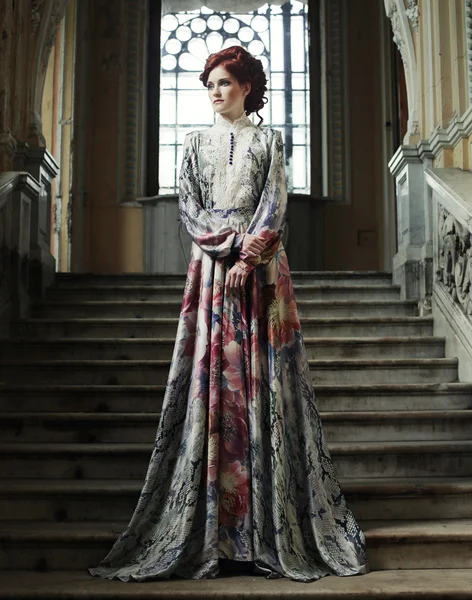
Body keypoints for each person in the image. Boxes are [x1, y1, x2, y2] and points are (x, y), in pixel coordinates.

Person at [89, 45, 368, 583]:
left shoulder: (269, 140)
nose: (215, 92)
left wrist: (249, 257)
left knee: (264, 388)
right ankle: (213, 532)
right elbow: (189, 209)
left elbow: (275, 203)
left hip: (262, 274)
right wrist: (227, 252)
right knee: (214, 386)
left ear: (246, 86)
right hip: (213, 274)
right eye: (209, 85)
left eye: (223, 83)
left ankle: (267, 529)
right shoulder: (194, 144)